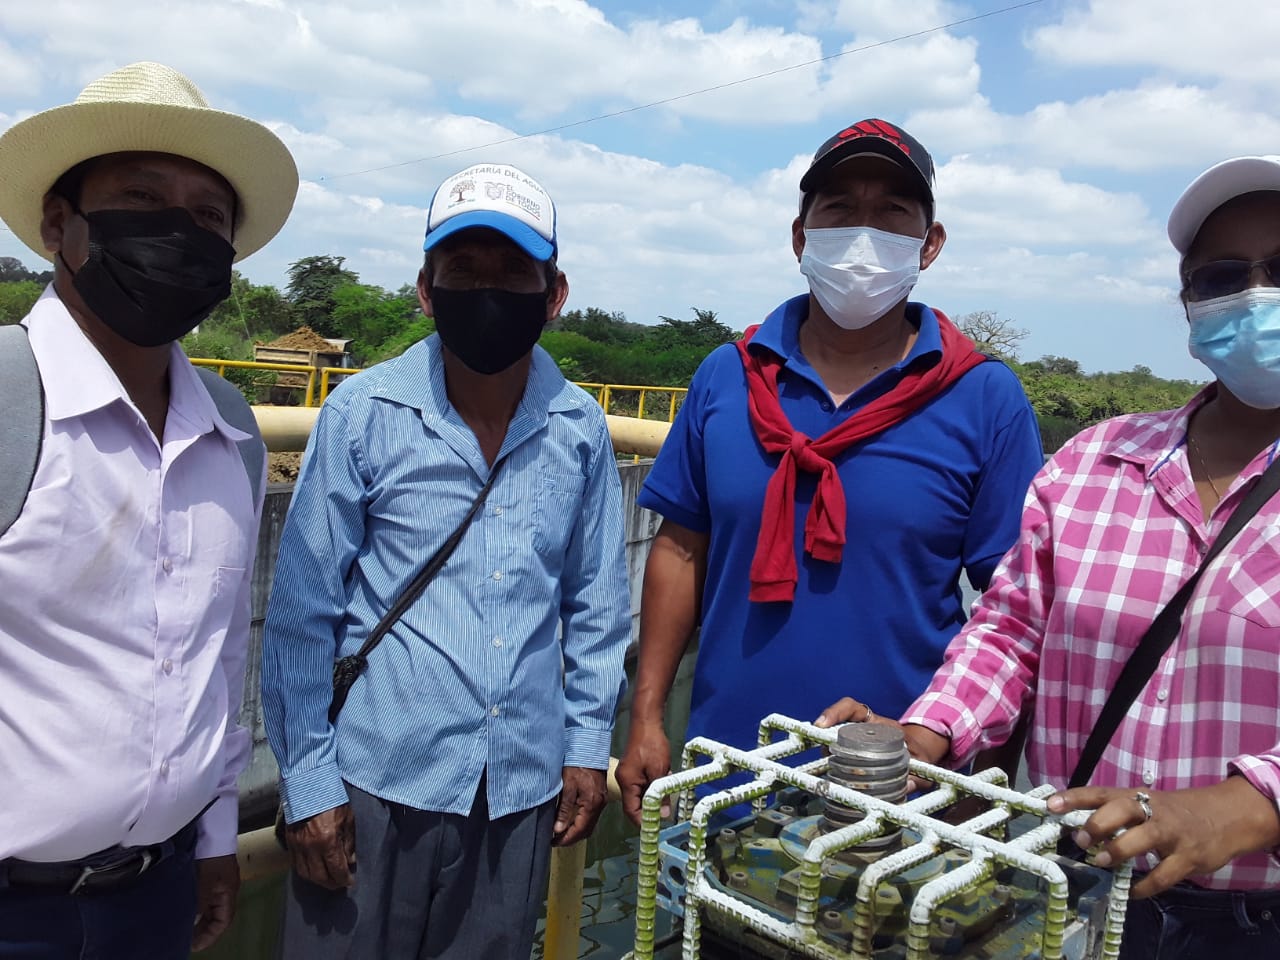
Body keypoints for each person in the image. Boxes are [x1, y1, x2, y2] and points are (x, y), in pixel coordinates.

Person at [819, 155, 1280, 960]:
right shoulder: (1096, 460)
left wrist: (1244, 806)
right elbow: (1008, 631)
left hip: (1253, 920)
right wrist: (925, 735)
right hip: (1065, 888)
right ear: (1188, 300)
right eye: (1223, 276)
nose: (1256, 295)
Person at [617, 119, 1044, 823]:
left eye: (892, 212)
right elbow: (680, 547)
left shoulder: (982, 397)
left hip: (900, 796)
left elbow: (1014, 611)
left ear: (930, 243)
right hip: (723, 773)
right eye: (840, 210)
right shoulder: (729, 376)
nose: (863, 233)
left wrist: (979, 790)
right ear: (800, 236)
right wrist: (646, 718)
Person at [261, 162, 631, 960]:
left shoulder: (578, 429)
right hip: (373, 781)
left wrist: (584, 745)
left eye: (514, 272)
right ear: (427, 291)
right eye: (463, 270)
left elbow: (597, 608)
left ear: (554, 293)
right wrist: (310, 784)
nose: (487, 290)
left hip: (520, 791)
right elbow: (301, 615)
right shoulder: (364, 414)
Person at [0, 62, 298, 957]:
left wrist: (214, 839)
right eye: (141, 197)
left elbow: (218, 656)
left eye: (208, 216)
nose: (179, 230)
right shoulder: (7, 399)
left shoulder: (231, 432)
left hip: (158, 895)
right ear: (59, 224)